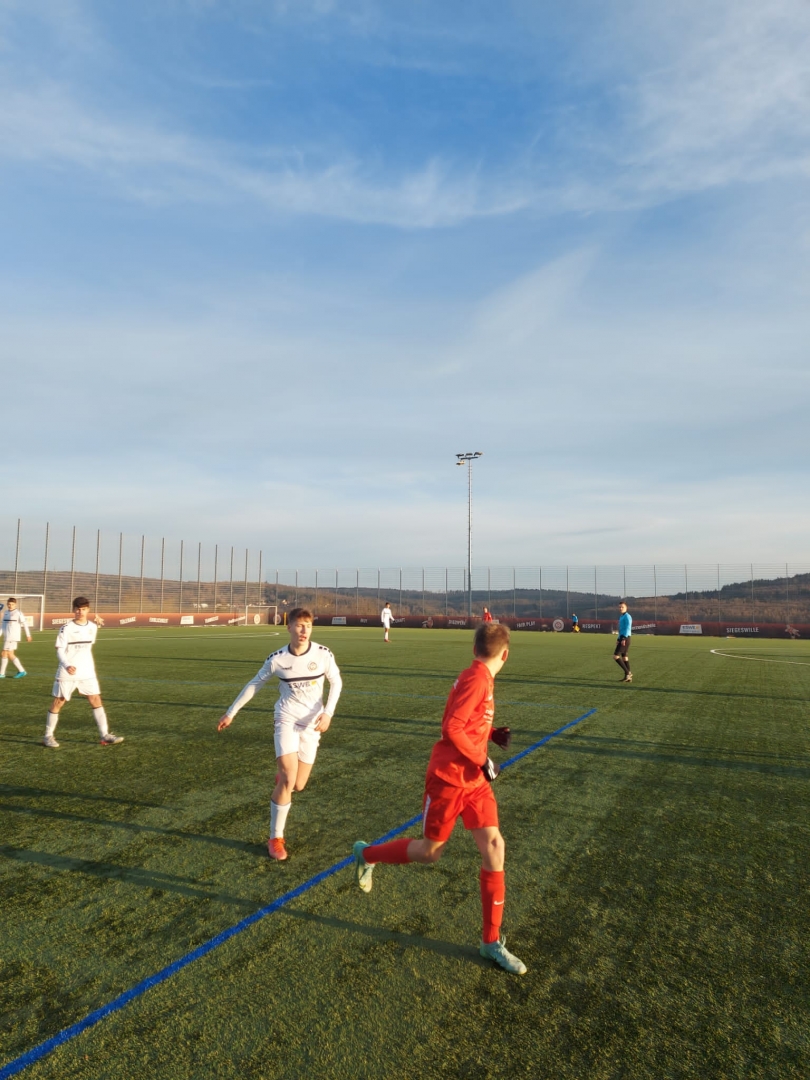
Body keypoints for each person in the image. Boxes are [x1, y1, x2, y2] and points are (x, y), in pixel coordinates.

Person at [352, 622, 526, 975]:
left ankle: (490, 941)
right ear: (506, 655)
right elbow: (451, 728)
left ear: (474, 649)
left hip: (473, 782)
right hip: (448, 779)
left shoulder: (478, 675)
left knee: (495, 847)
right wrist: (483, 759)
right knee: (430, 852)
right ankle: (367, 854)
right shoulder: (477, 679)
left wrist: (491, 733)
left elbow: (462, 719)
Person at [217, 607, 342, 861]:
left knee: (298, 784)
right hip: (286, 719)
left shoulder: (323, 654)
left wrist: (328, 713)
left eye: (308, 626)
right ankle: (275, 838)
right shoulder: (277, 659)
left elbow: (336, 682)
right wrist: (231, 713)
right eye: (299, 625)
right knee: (287, 779)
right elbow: (254, 684)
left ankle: (285, 778)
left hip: (311, 726)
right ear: (289, 627)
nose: (304, 630)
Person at [42, 597, 124, 748]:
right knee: (59, 702)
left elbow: (87, 646)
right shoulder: (66, 628)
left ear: (88, 610)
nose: (80, 612)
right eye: (78, 609)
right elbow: (59, 650)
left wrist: (98, 624)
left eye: (84, 609)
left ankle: (105, 735)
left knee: (96, 699)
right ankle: (48, 736)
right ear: (73, 610)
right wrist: (67, 665)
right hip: (68, 672)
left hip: (87, 671)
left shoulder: (92, 627)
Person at [1, 597, 32, 678]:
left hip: (12, 636)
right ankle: (21, 671)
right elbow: (3, 625)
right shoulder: (6, 613)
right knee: (10, 654)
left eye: (12, 604)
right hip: (7, 636)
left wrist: (28, 635)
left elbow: (25, 624)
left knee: (4, 653)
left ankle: (2, 673)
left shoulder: (18, 613)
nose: (10, 606)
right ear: (7, 604)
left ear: (15, 605)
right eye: (9, 604)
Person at [614, 601, 633, 682]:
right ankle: (627, 677)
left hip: (626, 638)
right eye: (619, 607)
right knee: (624, 657)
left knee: (616, 656)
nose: (621, 608)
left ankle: (628, 672)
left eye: (622, 607)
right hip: (622, 637)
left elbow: (628, 628)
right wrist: (618, 639)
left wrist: (623, 638)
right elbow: (621, 629)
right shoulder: (622, 616)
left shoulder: (627, 616)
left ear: (626, 608)